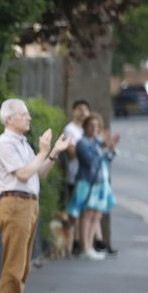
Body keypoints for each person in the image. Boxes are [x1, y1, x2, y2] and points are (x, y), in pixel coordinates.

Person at [0, 99, 70, 293]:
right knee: (14, 263)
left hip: (28, 203)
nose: (29, 118)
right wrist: (43, 151)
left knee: (23, 264)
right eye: (23, 115)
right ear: (9, 119)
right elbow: (25, 174)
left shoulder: (23, 144)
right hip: (15, 203)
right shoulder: (5, 143)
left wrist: (53, 153)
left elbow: (39, 174)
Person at [66, 112, 118, 260]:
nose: (94, 128)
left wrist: (111, 148)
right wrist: (103, 147)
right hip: (86, 181)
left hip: (99, 182)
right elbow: (90, 161)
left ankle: (90, 246)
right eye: (91, 125)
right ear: (86, 127)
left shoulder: (97, 142)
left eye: (96, 125)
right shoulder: (83, 143)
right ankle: (85, 247)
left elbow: (106, 159)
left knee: (96, 215)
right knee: (86, 214)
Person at [63, 99, 91, 254]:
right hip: (75, 175)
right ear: (73, 111)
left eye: (86, 109)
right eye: (79, 108)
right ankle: (72, 243)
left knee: (85, 212)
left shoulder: (86, 130)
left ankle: (81, 243)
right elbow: (72, 154)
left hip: (87, 177)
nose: (82, 112)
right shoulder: (70, 129)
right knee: (74, 212)